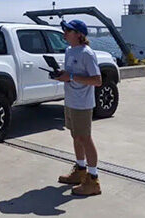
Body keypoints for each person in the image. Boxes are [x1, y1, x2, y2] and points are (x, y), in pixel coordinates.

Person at [55, 19, 103, 196]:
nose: (64, 33)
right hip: (71, 101)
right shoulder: (69, 50)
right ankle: (80, 170)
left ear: (79, 35)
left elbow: (97, 80)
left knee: (85, 138)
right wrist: (62, 76)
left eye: (68, 30)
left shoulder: (87, 53)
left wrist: (72, 76)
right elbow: (71, 75)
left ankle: (93, 179)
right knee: (76, 136)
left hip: (82, 103)